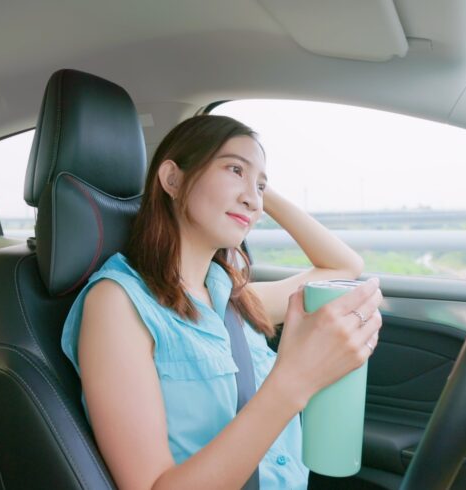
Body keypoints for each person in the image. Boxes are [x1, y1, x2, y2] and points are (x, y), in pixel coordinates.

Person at [61, 115, 383, 489]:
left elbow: (344, 266)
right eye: (234, 169)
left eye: (260, 187)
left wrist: (256, 186)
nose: (253, 201)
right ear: (172, 179)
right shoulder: (118, 304)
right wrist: (294, 381)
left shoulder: (234, 300)